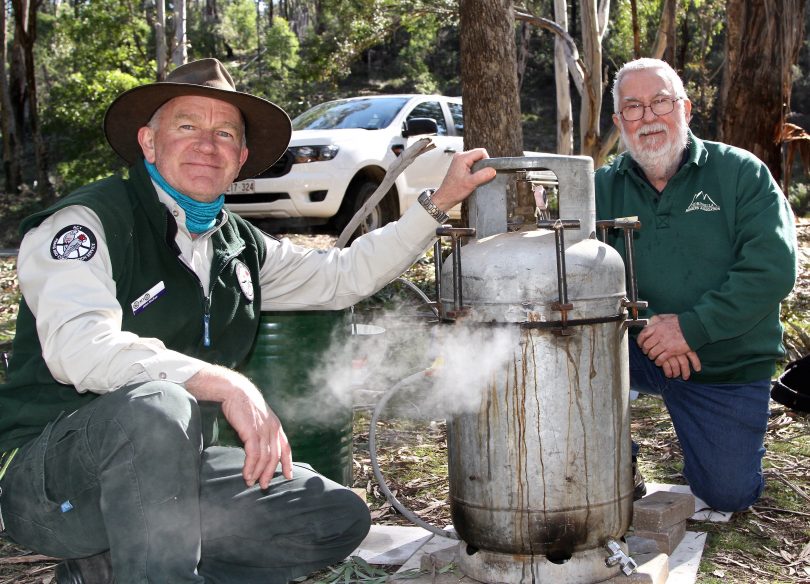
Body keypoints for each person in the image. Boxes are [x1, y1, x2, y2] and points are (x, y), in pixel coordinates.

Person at [0, 58, 496, 583]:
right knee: (157, 404)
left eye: (224, 134)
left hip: (171, 481)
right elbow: (79, 347)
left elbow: (340, 277)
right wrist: (227, 384)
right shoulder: (88, 223)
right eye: (187, 127)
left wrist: (436, 203)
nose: (206, 145)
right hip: (53, 485)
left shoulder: (234, 245)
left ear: (240, 157)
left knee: (330, 517)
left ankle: (108, 572)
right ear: (148, 142)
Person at [596, 58, 797, 513]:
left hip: (725, 359)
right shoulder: (602, 187)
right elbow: (577, 277)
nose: (648, 117)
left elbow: (773, 268)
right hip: (633, 351)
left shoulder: (740, 173)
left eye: (660, 102)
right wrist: (659, 333)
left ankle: (712, 453)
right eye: (633, 107)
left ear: (684, 108)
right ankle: (614, 464)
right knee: (563, 352)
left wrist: (692, 328)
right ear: (618, 121)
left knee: (727, 494)